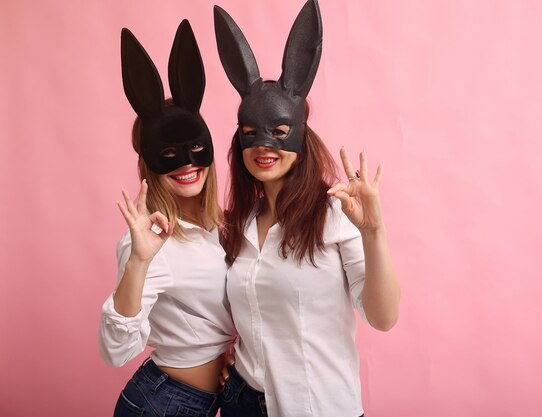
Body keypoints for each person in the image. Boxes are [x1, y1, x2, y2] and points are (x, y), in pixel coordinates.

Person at [213, 1, 401, 416]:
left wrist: (374, 232)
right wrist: (229, 357)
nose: (264, 146)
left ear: (300, 134)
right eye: (251, 134)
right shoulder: (239, 225)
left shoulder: (336, 214)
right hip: (242, 401)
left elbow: (383, 317)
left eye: (279, 132)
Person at [99, 20, 234, 417]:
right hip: (162, 405)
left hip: (208, 403)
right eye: (169, 156)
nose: (187, 164)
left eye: (195, 147)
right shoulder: (148, 243)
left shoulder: (222, 227)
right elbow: (116, 351)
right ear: (149, 164)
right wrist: (139, 261)